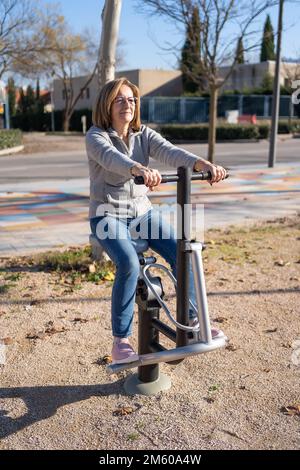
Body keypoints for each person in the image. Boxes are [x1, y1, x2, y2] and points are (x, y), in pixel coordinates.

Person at [86, 77, 227, 365]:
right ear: (107, 105)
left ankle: (192, 322)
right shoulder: (95, 136)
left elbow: (170, 151)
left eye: (132, 99)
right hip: (106, 215)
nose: (128, 104)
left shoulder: (143, 134)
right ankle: (120, 341)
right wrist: (137, 168)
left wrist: (202, 164)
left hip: (142, 213)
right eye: (120, 99)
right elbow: (111, 158)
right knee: (128, 262)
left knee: (182, 250)